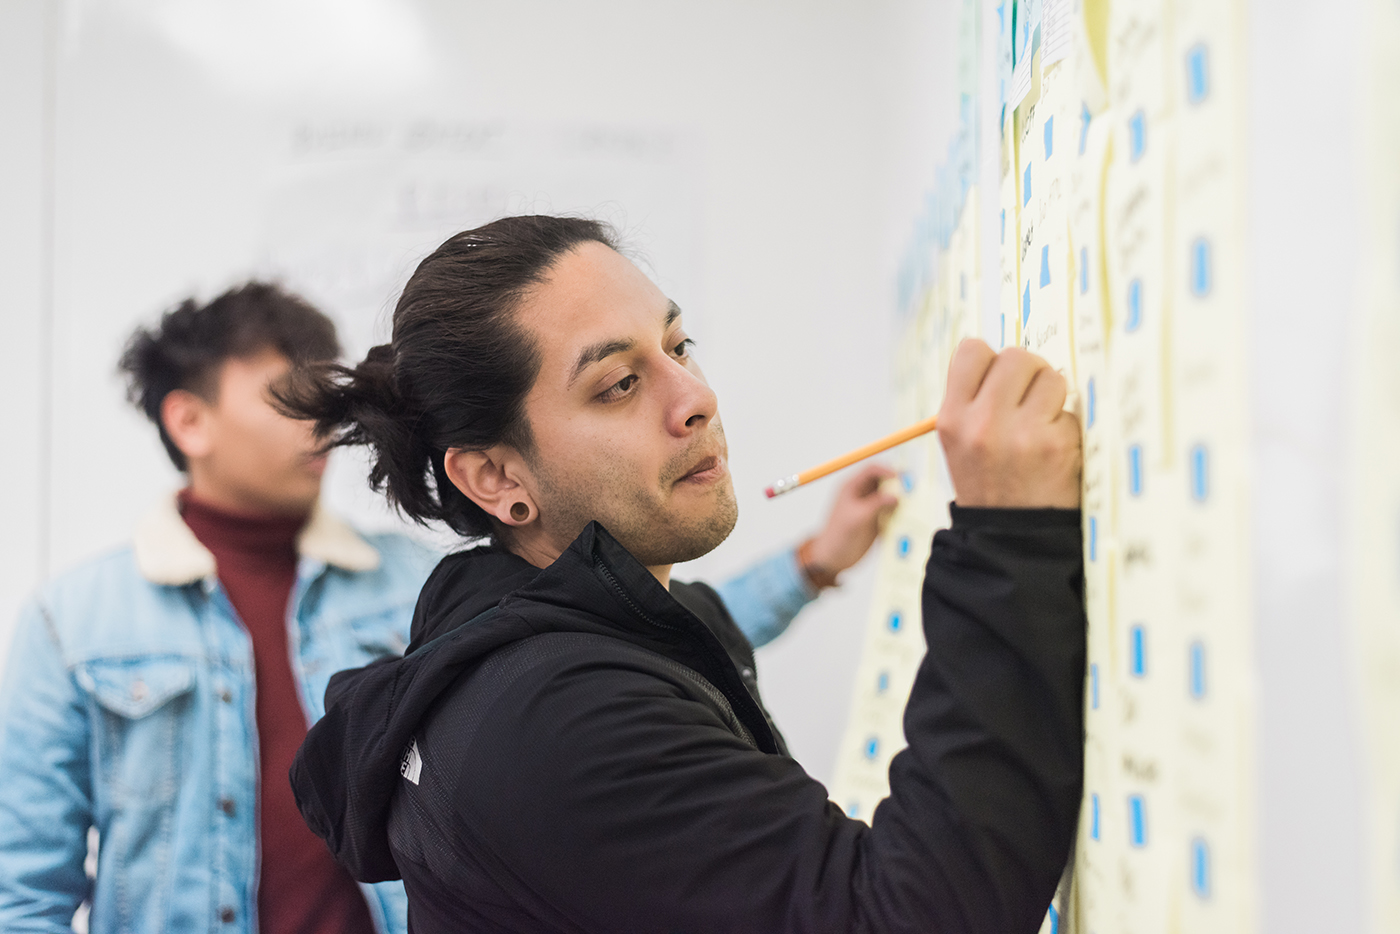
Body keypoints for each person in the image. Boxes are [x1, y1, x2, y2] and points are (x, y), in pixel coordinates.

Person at [0, 282, 888, 934]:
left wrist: (812, 564)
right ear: (189, 421)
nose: (319, 426)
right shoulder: (73, 624)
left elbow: (638, 619)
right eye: (286, 396)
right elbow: (26, 892)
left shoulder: (413, 581)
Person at [283, 215, 1087, 933]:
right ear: (497, 480)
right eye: (619, 384)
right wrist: (1006, 533)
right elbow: (909, 917)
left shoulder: (515, 614)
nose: (695, 397)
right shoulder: (557, 722)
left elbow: (693, 626)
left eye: (677, 346)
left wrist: (814, 562)